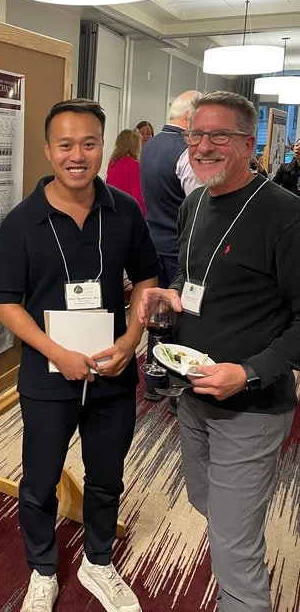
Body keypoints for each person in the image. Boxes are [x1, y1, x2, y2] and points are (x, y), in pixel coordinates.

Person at [0, 98, 158, 612]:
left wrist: (132, 340)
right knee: (39, 479)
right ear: (48, 150)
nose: (77, 156)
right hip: (48, 374)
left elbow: (146, 279)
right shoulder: (22, 222)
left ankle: (98, 561)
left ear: (103, 146)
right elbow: (4, 303)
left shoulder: (125, 211)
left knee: (107, 475)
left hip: (111, 369)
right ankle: (43, 569)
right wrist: (56, 352)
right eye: (65, 145)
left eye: (88, 144)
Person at [138, 91, 300, 612]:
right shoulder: (195, 203)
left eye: (219, 136)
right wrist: (170, 294)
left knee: (234, 548)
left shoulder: (286, 215)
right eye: (195, 134)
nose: (203, 146)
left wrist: (249, 372)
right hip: (192, 393)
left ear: (249, 144)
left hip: (250, 407)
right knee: (204, 500)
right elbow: (191, 279)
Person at [139, 90, 202, 403]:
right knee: (181, 318)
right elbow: (198, 205)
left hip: (153, 241)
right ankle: (178, 390)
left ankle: (154, 380)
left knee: (157, 315)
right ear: (190, 116)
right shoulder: (185, 151)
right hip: (179, 248)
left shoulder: (149, 146)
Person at [106, 128, 146, 216]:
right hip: (128, 212)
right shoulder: (134, 165)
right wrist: (144, 216)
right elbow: (137, 195)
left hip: (114, 210)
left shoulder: (112, 163)